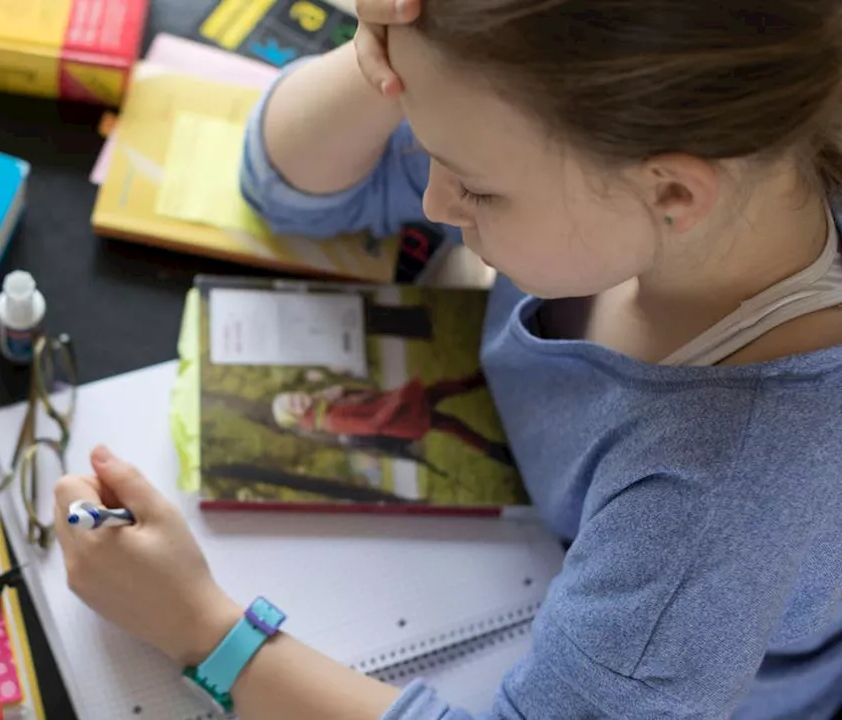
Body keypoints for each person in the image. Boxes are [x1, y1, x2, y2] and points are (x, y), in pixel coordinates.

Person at [54, 1, 842, 718]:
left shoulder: (713, 505)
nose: (434, 202)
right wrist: (390, 61)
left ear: (672, 195)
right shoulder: (655, 178)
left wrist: (200, 628)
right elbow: (286, 187)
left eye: (473, 186)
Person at [271, 375, 514, 466]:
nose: (298, 401)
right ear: (296, 418)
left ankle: (483, 378)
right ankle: (494, 450)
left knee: (442, 396)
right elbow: (371, 425)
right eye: (293, 406)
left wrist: (342, 392)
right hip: (401, 417)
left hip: (402, 410)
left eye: (294, 397)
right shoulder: (330, 420)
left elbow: (361, 399)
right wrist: (395, 402)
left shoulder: (322, 404)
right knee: (448, 421)